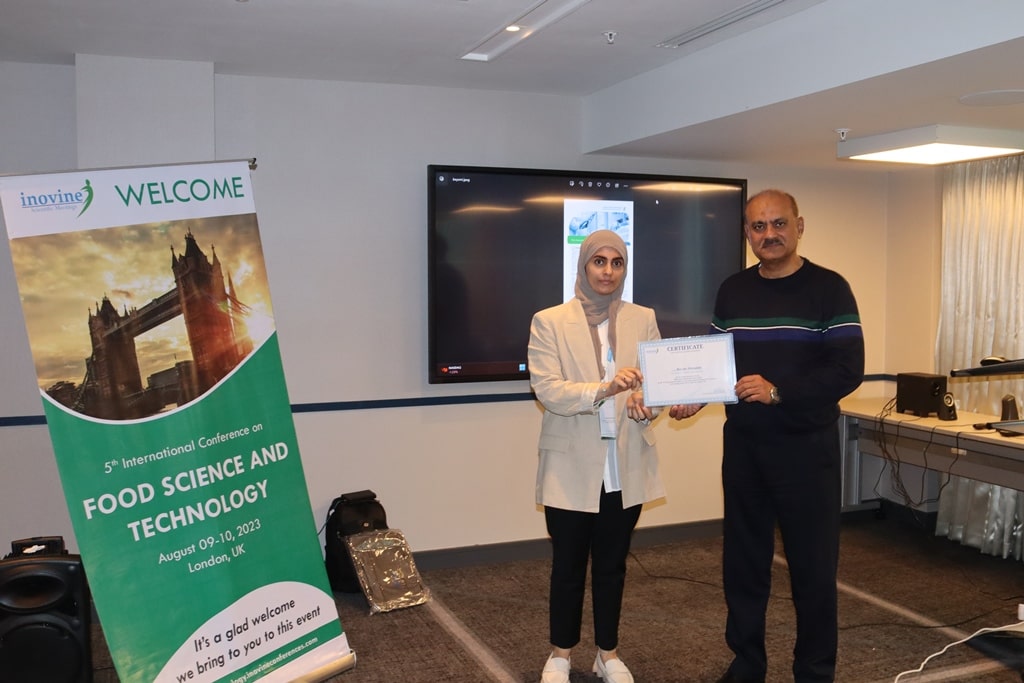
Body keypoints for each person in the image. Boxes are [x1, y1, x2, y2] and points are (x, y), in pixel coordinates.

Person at [670, 189, 864, 682]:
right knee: (743, 565)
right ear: (747, 234)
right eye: (759, 226)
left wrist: (779, 392)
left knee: (813, 570)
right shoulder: (733, 290)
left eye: (779, 223)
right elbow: (715, 362)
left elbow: (848, 370)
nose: (769, 234)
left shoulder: (830, 289)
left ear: (799, 226)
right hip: (745, 450)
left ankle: (814, 672)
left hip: (807, 453)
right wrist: (694, 395)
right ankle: (747, 665)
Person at [528, 229, 662, 683]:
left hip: (623, 465)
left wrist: (647, 405)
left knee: (612, 566)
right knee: (567, 566)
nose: (608, 271)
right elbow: (548, 390)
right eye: (598, 261)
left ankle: (608, 654)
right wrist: (605, 388)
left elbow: (656, 385)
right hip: (570, 464)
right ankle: (560, 655)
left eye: (616, 262)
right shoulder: (549, 321)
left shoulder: (643, 318)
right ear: (583, 266)